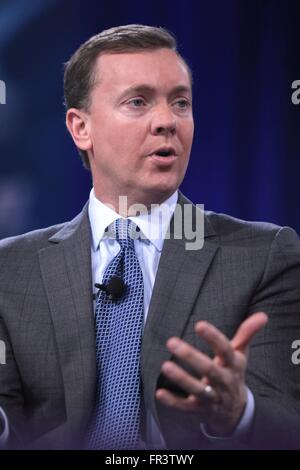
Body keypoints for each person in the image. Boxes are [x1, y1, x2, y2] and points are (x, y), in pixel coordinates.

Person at [0, 24, 300, 450]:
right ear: (80, 128)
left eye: (181, 103)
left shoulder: (265, 256)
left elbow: (288, 426)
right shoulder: (10, 270)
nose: (167, 122)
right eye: (137, 102)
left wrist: (238, 413)